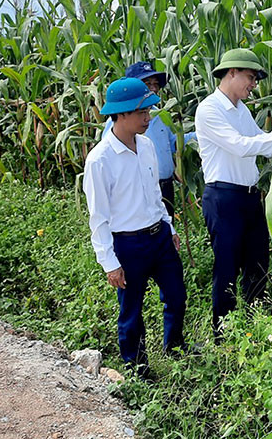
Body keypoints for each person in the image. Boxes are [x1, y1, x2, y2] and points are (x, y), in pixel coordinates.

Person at [194, 48, 272, 339]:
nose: (253, 84)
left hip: (248, 197)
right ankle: (223, 335)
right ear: (231, 73)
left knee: (258, 263)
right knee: (227, 267)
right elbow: (241, 145)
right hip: (223, 198)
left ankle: (256, 326)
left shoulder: (240, 110)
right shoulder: (209, 110)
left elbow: (260, 143)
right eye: (250, 77)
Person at [83, 77, 187, 378]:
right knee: (131, 311)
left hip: (159, 236)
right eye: (142, 112)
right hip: (128, 245)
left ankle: (175, 346)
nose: (148, 117)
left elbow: (154, 193)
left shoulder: (147, 145)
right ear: (121, 114)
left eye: (149, 110)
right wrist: (109, 263)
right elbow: (98, 216)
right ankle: (136, 366)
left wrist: (169, 226)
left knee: (177, 297)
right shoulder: (100, 160)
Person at [103, 61, 197, 219]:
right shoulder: (120, 122)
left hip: (164, 186)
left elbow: (173, 143)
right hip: (139, 189)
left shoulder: (160, 115)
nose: (153, 88)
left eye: (155, 84)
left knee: (165, 230)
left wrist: (201, 134)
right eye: (147, 84)